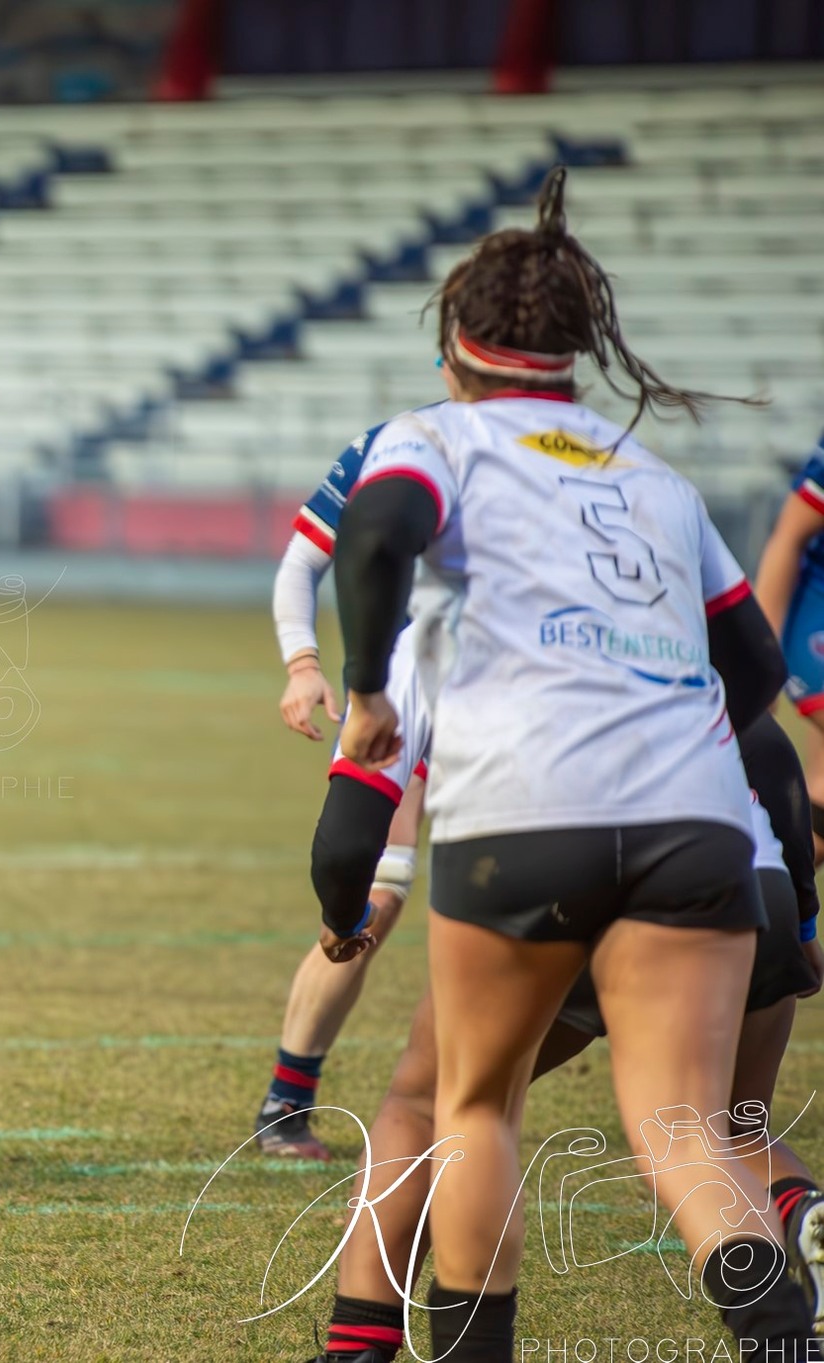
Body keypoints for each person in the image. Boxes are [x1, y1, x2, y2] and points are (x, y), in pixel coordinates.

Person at [331, 166, 813, 1358]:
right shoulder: (647, 472)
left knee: (471, 1102)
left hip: (527, 808)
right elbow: (748, 662)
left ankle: (465, 1347)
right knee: (684, 1126)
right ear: (576, 349)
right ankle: (776, 1324)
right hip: (696, 820)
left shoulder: (437, 434)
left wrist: (360, 692)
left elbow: (379, 527)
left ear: (456, 337)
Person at [302, 714, 824, 1362]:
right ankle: (791, 1298)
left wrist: (344, 914)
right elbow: (762, 735)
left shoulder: (437, 625)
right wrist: (802, 917)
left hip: (560, 862)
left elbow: (348, 834)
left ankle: (357, 1349)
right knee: (719, 1133)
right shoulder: (667, 619)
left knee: (430, 1103)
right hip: (738, 869)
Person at [261, 430, 431, 1161]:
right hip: (409, 699)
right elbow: (303, 559)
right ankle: (286, 1103)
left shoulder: (568, 457)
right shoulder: (397, 443)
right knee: (375, 896)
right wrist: (303, 661)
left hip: (529, 710)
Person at [751, 427, 824, 861]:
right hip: (817, 612)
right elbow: (789, 535)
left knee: (813, 825)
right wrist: (760, 661)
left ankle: (777, 910)